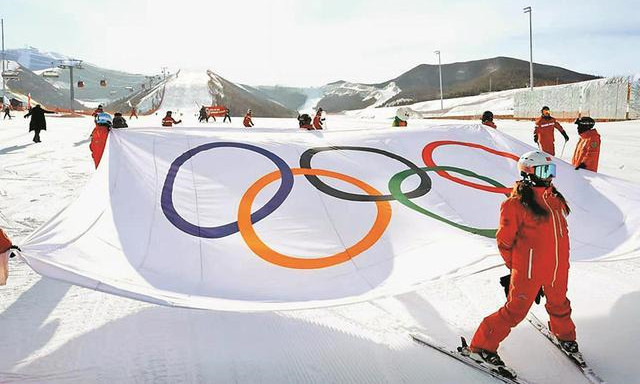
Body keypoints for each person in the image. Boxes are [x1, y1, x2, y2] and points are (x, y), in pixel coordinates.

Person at [469, 150, 577, 370]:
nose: (550, 176)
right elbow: (504, 242)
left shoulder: (554, 199)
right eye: (545, 171)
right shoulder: (515, 205)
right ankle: (481, 347)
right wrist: (518, 269)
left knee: (560, 304)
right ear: (528, 173)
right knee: (515, 311)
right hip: (529, 272)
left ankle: (564, 335)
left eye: (552, 170)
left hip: (557, 269)